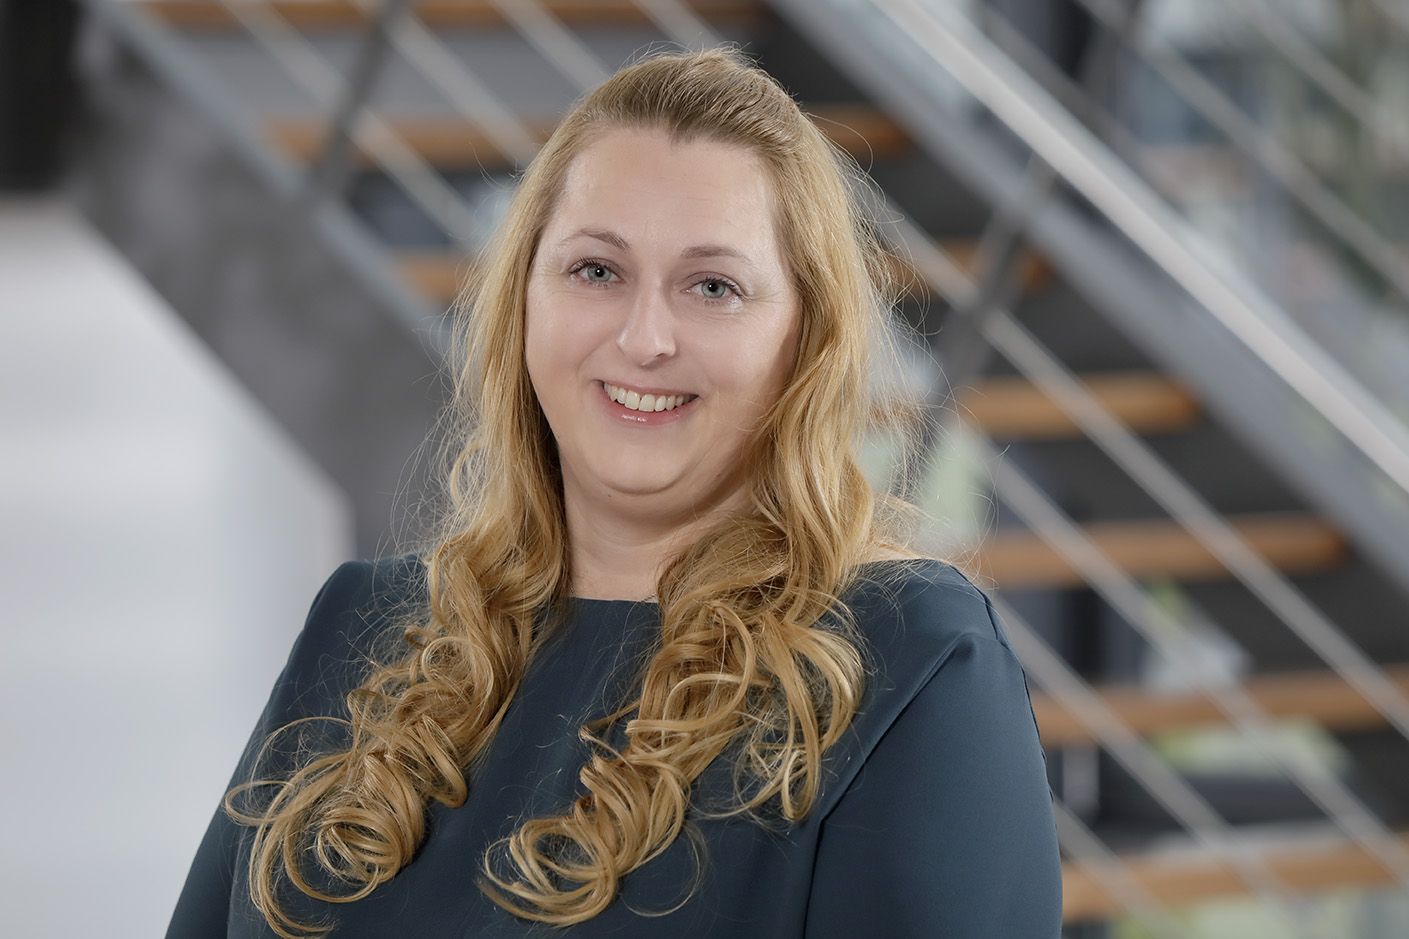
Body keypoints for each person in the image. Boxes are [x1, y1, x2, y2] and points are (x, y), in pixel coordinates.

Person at [167, 48, 1062, 938]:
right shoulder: (362, 625)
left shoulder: (909, 662)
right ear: (524, 298)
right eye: (597, 270)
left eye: (713, 286)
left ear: (806, 340)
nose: (644, 339)